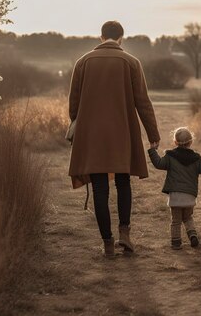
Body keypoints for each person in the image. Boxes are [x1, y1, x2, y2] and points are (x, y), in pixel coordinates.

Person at [68, 21, 160, 257]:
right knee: (123, 183)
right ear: (121, 38)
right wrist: (153, 134)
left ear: (101, 37)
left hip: (92, 135)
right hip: (123, 133)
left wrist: (78, 124)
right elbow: (143, 101)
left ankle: (108, 244)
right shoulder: (131, 62)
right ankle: (125, 234)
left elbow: (74, 105)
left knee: (100, 189)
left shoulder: (83, 62)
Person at [148, 127, 201, 250]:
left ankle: (176, 243)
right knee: (187, 217)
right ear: (191, 142)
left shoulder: (169, 156)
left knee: (176, 221)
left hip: (175, 196)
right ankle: (192, 235)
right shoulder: (196, 158)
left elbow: (158, 163)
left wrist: (153, 150)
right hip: (190, 196)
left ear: (175, 142)